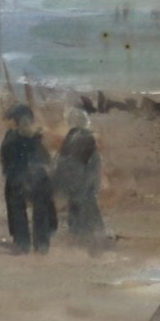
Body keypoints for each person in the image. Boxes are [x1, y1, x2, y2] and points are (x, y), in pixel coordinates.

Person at [0, 103, 55, 253]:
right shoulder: (37, 139)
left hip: (19, 180)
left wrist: (10, 173)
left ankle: (22, 243)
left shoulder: (10, 138)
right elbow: (46, 159)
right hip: (37, 180)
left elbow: (5, 160)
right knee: (40, 210)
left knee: (18, 209)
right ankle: (41, 244)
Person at [52, 106, 109, 247]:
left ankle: (91, 239)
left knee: (85, 208)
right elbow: (65, 159)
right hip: (78, 180)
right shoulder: (74, 136)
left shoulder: (83, 137)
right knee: (81, 208)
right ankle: (83, 238)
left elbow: (88, 161)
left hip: (81, 179)